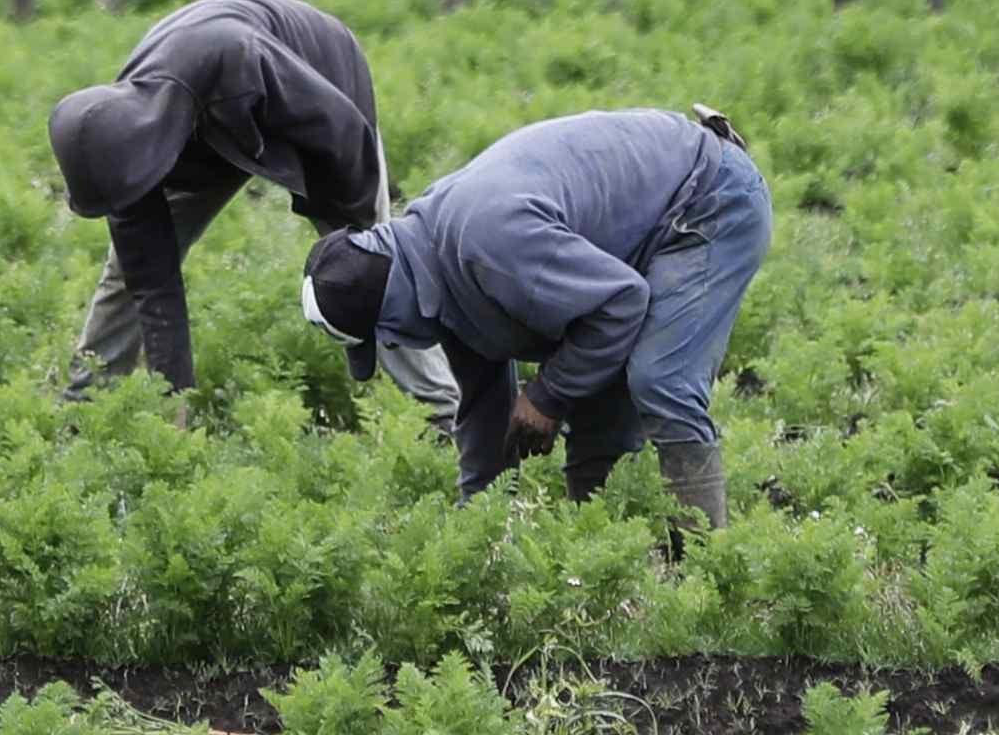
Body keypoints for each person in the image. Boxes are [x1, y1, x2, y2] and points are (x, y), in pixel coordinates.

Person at [300, 105, 766, 529]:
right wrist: (480, 526)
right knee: (594, 403)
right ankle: (607, 564)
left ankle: (708, 573)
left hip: (708, 198)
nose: (399, 345)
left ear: (392, 314)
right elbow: (485, 408)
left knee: (660, 379)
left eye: (385, 337)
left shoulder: (489, 243)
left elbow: (621, 303)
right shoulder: (432, 266)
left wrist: (547, 395)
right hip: (643, 235)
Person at [45, 0, 438, 412]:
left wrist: (356, 232)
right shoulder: (117, 151)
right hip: (207, 127)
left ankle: (440, 413)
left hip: (316, 83)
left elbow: (344, 136)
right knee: (129, 271)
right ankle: (83, 409)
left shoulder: (238, 61)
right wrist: (175, 401)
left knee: (372, 267)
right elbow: (154, 286)